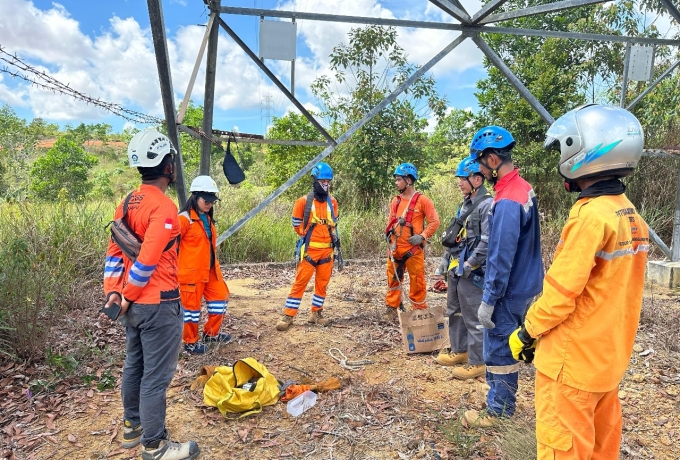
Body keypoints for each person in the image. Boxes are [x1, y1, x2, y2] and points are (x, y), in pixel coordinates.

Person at [509, 104, 648, 459]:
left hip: (572, 366)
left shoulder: (590, 219)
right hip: (606, 361)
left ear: (583, 150)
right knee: (601, 449)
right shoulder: (629, 214)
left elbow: (561, 294)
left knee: (564, 450)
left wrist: (527, 333)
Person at [103, 130, 200, 460]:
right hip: (159, 303)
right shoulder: (165, 207)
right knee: (155, 377)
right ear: (168, 166)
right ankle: (155, 445)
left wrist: (114, 292)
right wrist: (127, 293)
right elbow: (148, 258)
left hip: (134, 306)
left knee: (135, 365)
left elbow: (114, 254)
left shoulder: (126, 202)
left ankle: (133, 427)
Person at [463, 126, 543, 427]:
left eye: (480, 165)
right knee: (507, 343)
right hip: (525, 283)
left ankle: (499, 411)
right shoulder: (522, 187)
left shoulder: (508, 199)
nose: (479, 171)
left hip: (509, 289)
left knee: (499, 347)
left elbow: (500, 256)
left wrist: (489, 298)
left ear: (493, 160)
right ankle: (500, 399)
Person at [435, 156, 493, 380]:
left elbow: (486, 242)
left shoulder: (487, 205)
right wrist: (445, 262)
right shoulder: (464, 204)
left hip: (474, 271)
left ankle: (478, 361)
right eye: (459, 178)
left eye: (463, 178)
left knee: (473, 315)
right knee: (455, 311)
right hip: (456, 268)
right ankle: (460, 350)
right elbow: (456, 237)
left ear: (477, 179)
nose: (459, 183)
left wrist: (470, 264)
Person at [276, 162, 340, 331]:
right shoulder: (302, 202)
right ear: (315, 180)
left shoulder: (332, 202)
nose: (325, 185)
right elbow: (296, 224)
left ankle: (316, 313)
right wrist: (307, 236)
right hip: (310, 251)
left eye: (328, 182)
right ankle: (288, 315)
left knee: (322, 284)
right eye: (322, 182)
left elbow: (334, 224)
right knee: (300, 283)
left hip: (327, 250)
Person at [178, 175, 232, 355]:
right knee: (191, 311)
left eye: (212, 201)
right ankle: (190, 342)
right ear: (195, 196)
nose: (209, 204)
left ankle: (211, 334)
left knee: (221, 299)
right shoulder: (184, 219)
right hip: (191, 274)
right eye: (206, 200)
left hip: (210, 271)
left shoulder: (207, 218)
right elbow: (171, 247)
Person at [384, 163, 440, 321]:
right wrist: (388, 237)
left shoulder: (423, 201)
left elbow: (434, 222)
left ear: (408, 180)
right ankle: (391, 308)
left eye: (399, 179)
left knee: (417, 281)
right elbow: (390, 222)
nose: (396, 182)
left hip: (413, 250)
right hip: (395, 249)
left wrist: (422, 236)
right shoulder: (395, 202)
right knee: (393, 279)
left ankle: (419, 310)